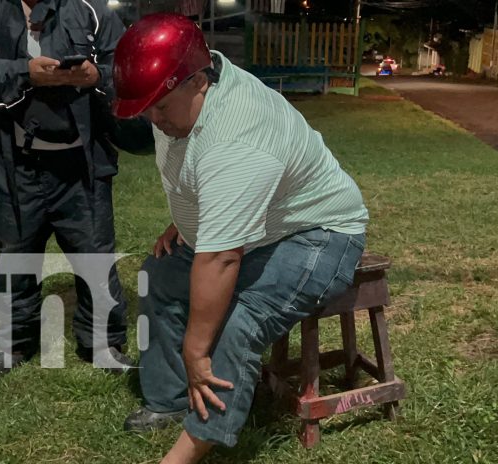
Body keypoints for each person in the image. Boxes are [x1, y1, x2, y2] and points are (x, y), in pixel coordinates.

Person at [112, 14, 369, 464]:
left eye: (161, 108)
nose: (153, 119)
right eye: (146, 108)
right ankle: (170, 398)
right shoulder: (186, 94)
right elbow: (202, 174)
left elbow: (221, 259)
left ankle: (192, 445)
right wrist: (194, 219)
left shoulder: (237, 135)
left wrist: (196, 350)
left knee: (241, 322)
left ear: (198, 82)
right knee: (160, 274)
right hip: (265, 222)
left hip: (319, 233)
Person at [0, 0, 131, 381]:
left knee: (95, 256)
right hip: (15, 167)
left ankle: (103, 342)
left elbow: (127, 68)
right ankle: (13, 344)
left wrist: (95, 76)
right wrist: (25, 73)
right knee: (15, 257)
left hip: (83, 165)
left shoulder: (91, 9)